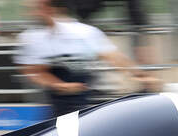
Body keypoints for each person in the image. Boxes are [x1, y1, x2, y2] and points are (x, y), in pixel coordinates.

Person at [17, 0, 158, 117]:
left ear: (50, 9)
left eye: (36, 8)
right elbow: (33, 71)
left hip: (83, 100)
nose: (32, 13)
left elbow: (113, 57)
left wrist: (140, 76)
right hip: (57, 105)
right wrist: (59, 85)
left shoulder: (85, 33)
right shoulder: (34, 37)